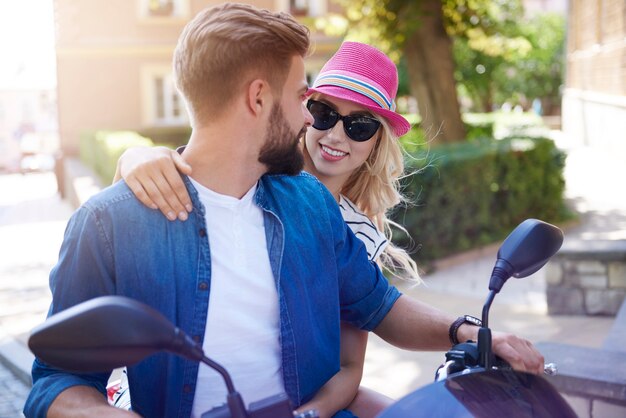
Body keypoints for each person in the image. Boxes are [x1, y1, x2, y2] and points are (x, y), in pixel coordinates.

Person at [25, 3, 544, 418]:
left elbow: (378, 306)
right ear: (257, 98)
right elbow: (57, 381)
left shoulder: (311, 204)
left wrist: (470, 332)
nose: (309, 119)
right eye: (305, 99)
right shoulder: (111, 223)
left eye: (356, 123)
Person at [112, 41, 420, 417]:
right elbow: (126, 222)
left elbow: (349, 366)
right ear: (305, 113)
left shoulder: (359, 234)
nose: (336, 135)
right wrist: (134, 158)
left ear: (377, 141)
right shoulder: (255, 176)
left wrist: (309, 414)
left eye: (360, 125)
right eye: (324, 112)